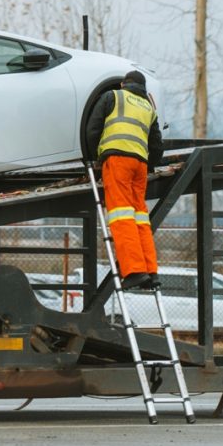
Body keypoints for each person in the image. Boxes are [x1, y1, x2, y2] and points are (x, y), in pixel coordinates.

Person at [85, 70, 163, 290]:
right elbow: (156, 145)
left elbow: (93, 129)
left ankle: (134, 271)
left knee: (121, 215)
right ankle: (151, 271)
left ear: (123, 84)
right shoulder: (149, 108)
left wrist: (94, 159)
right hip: (140, 165)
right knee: (140, 217)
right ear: (143, 88)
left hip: (118, 159)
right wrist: (152, 165)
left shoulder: (113, 96)